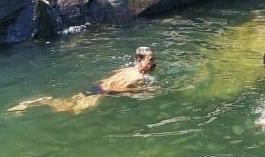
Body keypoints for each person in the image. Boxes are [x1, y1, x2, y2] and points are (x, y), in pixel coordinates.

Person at [9, 46, 157, 114]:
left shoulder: (127, 69)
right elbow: (117, 89)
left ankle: (30, 104)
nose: (154, 63)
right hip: (99, 93)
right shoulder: (138, 77)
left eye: (154, 59)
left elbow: (111, 76)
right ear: (139, 60)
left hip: (95, 88)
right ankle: (37, 102)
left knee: (67, 104)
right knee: (71, 111)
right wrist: (145, 89)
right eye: (150, 60)